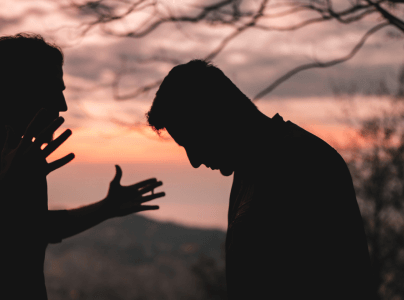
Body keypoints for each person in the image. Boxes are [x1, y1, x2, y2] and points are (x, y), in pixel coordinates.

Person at [0, 33, 165, 299]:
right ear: (15, 90)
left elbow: (31, 228)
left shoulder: (23, 160)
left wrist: (104, 208)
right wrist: (4, 186)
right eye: (53, 91)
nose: (63, 105)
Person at [145, 59, 375, 299]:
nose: (194, 160)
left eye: (192, 142)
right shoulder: (248, 172)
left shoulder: (305, 163)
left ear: (215, 117)